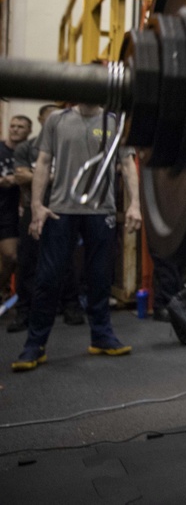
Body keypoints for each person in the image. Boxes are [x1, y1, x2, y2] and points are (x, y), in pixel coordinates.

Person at [11, 104, 142, 371]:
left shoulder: (114, 121)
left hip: (100, 210)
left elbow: (127, 164)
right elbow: (44, 163)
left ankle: (102, 336)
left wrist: (135, 205)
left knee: (100, 277)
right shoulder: (57, 120)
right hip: (61, 210)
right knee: (48, 278)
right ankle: (35, 345)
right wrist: (37, 205)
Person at [8, 105, 59, 333]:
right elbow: (20, 176)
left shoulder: (65, 147)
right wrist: (54, 176)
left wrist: (37, 175)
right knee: (27, 262)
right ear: (40, 120)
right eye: (48, 118)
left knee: (63, 263)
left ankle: (68, 307)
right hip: (32, 208)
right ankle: (23, 312)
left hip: (61, 209)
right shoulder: (27, 147)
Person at [1, 116, 32, 306]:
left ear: (29, 130)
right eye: (12, 126)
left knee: (11, 256)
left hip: (11, 212)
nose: (15, 130)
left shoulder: (29, 151)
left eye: (20, 127)